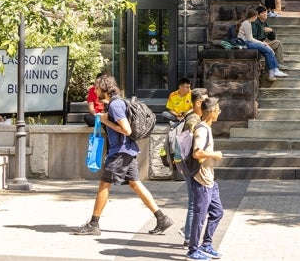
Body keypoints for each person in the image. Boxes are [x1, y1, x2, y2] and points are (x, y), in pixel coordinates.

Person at [71, 74, 173, 236]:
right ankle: (162, 218)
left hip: (120, 152)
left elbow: (127, 130)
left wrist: (105, 120)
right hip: (127, 150)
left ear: (104, 88)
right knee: (135, 184)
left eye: (97, 87)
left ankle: (93, 224)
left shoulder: (115, 105)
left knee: (104, 185)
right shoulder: (116, 103)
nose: (95, 90)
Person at [186, 96, 225, 260]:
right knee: (200, 216)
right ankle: (193, 250)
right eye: (217, 110)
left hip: (210, 180)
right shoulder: (202, 129)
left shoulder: (207, 128)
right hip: (202, 180)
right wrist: (214, 154)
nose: (219, 113)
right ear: (211, 112)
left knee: (217, 212)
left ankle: (206, 245)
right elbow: (197, 152)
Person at [178, 88, 209, 248]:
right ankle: (189, 236)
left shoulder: (194, 117)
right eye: (206, 99)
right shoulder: (193, 121)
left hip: (190, 166)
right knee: (194, 202)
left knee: (195, 201)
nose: (208, 103)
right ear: (198, 102)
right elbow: (193, 148)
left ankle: (188, 230)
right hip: (192, 166)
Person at [238, 8, 287, 80]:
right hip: (248, 43)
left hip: (255, 42)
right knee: (268, 50)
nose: (265, 14)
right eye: (263, 13)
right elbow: (250, 38)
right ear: (256, 15)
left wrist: (271, 31)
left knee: (275, 45)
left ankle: (275, 69)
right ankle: (272, 71)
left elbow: (272, 38)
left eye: (266, 12)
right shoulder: (250, 24)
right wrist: (263, 43)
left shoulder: (263, 23)